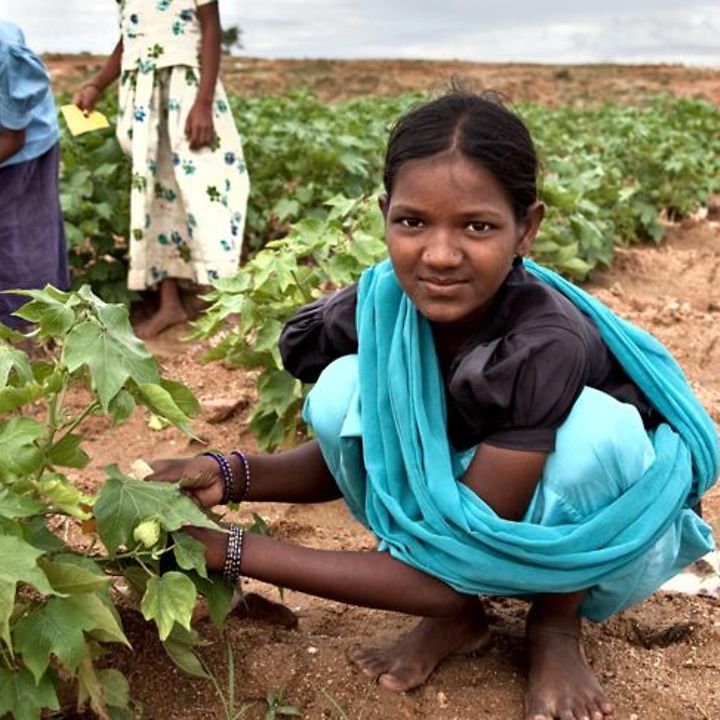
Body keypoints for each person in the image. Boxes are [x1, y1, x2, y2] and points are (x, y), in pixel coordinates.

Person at [147, 90, 718, 720]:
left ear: (527, 227)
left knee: (594, 435)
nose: (440, 255)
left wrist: (231, 551)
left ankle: (556, 623)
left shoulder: (542, 341)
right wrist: (230, 474)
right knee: (343, 389)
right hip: (478, 501)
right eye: (414, 222)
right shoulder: (381, 304)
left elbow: (456, 559)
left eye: (477, 226)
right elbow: (360, 455)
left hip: (599, 532)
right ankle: (461, 620)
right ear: (386, 214)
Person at [74, 0, 249, 339]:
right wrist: (97, 84)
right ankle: (170, 303)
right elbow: (129, 37)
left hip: (186, 90)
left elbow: (211, 30)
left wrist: (203, 103)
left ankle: (223, 298)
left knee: (207, 189)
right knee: (154, 196)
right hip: (141, 98)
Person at [0, 21, 69, 329]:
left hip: (21, 148)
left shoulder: (3, 50)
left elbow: (13, 139)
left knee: (19, 242)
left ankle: (29, 335)